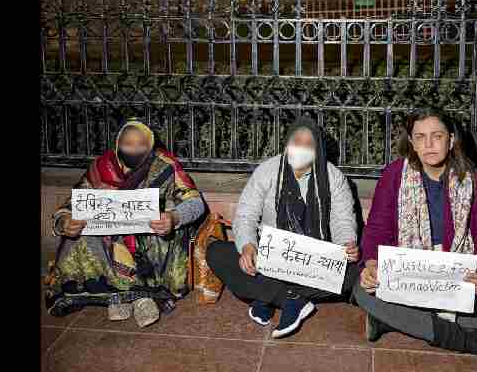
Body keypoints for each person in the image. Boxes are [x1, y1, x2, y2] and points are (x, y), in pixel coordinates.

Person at [352, 109, 477, 369]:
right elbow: (377, 230)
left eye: (436, 136)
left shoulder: (476, 183)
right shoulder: (394, 175)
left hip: (456, 272)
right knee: (362, 290)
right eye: (420, 137)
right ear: (411, 142)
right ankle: (475, 342)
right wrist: (371, 265)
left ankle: (396, 320)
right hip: (411, 272)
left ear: (451, 139)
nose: (428, 144)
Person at [206, 116, 361, 338]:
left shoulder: (333, 177)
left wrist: (346, 244)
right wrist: (248, 246)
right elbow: (246, 214)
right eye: (297, 141)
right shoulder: (267, 171)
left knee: (355, 273)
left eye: (309, 144)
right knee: (217, 253)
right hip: (271, 257)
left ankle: (267, 296)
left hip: (313, 260)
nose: (302, 148)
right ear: (287, 143)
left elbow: (342, 219)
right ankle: (293, 299)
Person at [45, 119, 205, 327]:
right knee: (80, 235)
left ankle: (142, 295)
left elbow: (195, 202)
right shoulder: (101, 167)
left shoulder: (165, 167)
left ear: (151, 145)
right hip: (109, 236)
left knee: (152, 237)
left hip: (153, 236)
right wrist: (64, 221)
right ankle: (117, 295)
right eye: (128, 144)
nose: (135, 149)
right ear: (117, 144)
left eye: (141, 145)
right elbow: (74, 204)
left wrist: (174, 218)